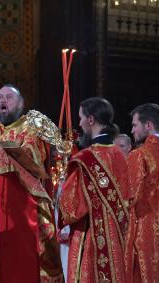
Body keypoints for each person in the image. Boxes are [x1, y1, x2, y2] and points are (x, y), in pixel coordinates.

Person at [0, 84, 62, 281]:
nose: (3, 101)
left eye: (8, 97)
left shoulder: (30, 128)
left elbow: (32, 157)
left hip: (25, 202)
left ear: (21, 104)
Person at [59, 97, 129, 283]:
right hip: (117, 238)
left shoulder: (85, 159)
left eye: (81, 118)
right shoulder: (120, 156)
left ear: (91, 120)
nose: (79, 123)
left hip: (89, 237)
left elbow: (72, 207)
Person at [125, 103, 159, 282]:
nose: (131, 130)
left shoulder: (139, 155)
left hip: (146, 233)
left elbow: (128, 197)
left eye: (134, 125)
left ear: (148, 126)